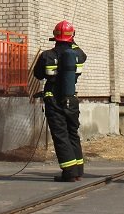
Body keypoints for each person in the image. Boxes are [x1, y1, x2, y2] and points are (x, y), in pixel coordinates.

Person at [33, 20, 87, 182]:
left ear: (55, 36)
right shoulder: (77, 56)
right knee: (72, 133)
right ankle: (78, 170)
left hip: (53, 99)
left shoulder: (47, 55)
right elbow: (83, 54)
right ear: (72, 36)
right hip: (71, 99)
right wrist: (73, 41)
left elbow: (38, 75)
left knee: (60, 135)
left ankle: (69, 172)